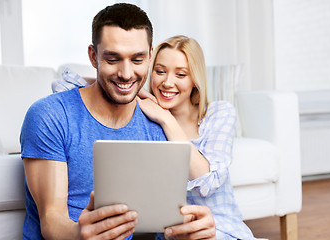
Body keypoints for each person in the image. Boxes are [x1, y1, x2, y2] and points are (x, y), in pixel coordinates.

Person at [20, 3, 216, 240]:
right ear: (94, 57)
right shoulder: (50, 115)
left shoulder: (155, 126)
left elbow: (155, 224)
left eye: (137, 59)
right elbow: (51, 221)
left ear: (150, 55)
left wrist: (189, 232)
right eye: (113, 59)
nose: (126, 73)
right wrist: (81, 233)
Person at [55, 35, 259, 239]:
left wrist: (166, 119)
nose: (167, 83)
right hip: (173, 234)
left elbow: (207, 183)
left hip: (218, 229)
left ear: (195, 79)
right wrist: (123, 84)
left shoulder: (217, 113)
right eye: (160, 72)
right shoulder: (145, 114)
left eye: (180, 74)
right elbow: (61, 85)